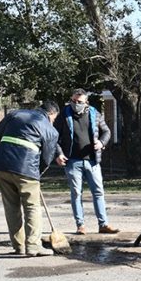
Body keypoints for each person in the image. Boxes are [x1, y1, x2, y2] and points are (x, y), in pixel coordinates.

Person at [0, 101, 67, 257]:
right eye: (54, 118)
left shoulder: (15, 114)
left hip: (1, 164)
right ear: (52, 114)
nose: (53, 121)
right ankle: (33, 246)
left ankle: (18, 246)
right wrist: (37, 174)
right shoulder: (50, 129)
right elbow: (47, 157)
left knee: (11, 207)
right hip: (25, 167)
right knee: (32, 207)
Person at [55, 89, 119, 235]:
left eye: (79, 102)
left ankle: (103, 224)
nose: (75, 104)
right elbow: (54, 137)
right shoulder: (64, 114)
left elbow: (107, 132)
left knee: (98, 192)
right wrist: (59, 153)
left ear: (86, 103)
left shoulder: (95, 113)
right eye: (73, 101)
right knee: (76, 193)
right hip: (72, 161)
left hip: (93, 161)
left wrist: (101, 143)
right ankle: (80, 225)